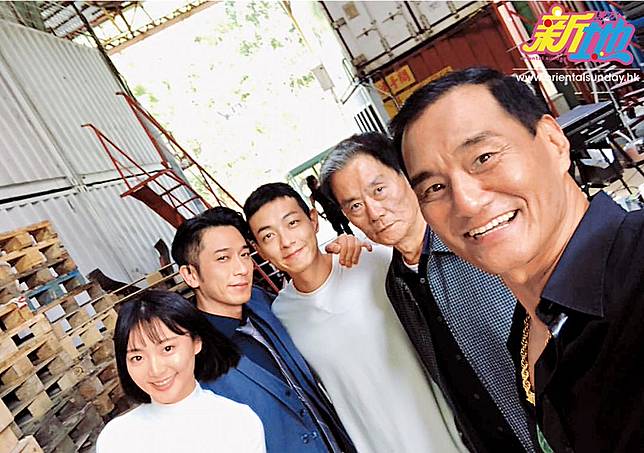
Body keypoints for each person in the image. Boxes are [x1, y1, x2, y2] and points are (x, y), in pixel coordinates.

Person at [392, 66, 644, 453]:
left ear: (553, 143)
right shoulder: (526, 333)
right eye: (435, 187)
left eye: (484, 157)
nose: (467, 202)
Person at [319, 132, 535, 453]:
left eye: (379, 190)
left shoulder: (478, 240)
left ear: (407, 176)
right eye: (355, 206)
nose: (374, 212)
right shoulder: (395, 284)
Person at [243, 182, 467, 453]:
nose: (286, 241)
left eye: (292, 223)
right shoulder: (280, 315)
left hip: (452, 436)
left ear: (313, 220)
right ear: (258, 250)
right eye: (269, 236)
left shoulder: (375, 260)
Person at [171, 207, 355, 453]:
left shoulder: (263, 303)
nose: (242, 269)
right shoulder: (190, 360)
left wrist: (341, 261)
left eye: (244, 254)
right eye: (223, 258)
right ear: (191, 274)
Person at [96, 290, 265, 453]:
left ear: (196, 342)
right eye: (138, 357)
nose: (156, 370)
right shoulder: (116, 438)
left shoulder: (238, 422)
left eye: (167, 348)